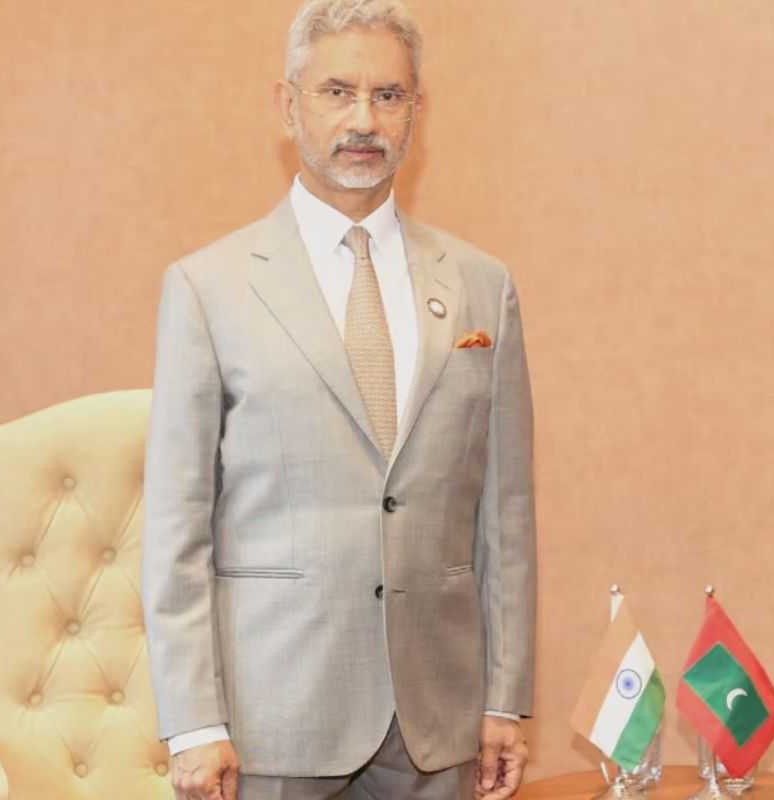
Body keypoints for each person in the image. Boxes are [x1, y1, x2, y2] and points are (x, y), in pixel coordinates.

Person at [141, 2, 536, 798]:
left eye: (389, 96)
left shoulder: (480, 288)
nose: (364, 119)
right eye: (337, 92)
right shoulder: (208, 288)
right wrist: (194, 723)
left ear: (417, 113)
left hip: (438, 721)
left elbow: (507, 514)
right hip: (271, 723)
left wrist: (506, 696)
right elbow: (175, 525)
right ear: (288, 106)